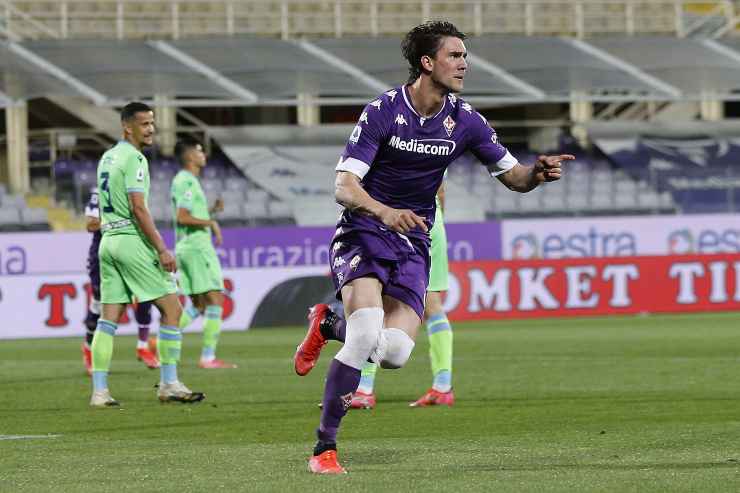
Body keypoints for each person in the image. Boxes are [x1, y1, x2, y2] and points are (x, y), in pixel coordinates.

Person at [293, 21, 573, 474]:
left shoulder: (466, 121)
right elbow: (345, 187)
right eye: (455, 55)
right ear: (427, 63)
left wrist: (536, 173)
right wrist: (384, 212)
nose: (464, 63)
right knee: (366, 335)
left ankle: (327, 324)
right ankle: (324, 449)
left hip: (413, 244)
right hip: (364, 232)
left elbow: (513, 177)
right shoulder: (383, 111)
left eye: (465, 56)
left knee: (398, 355)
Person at [89, 101, 205, 407]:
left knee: (108, 318)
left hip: (107, 239)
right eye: (144, 124)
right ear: (128, 127)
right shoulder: (134, 158)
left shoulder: (107, 157)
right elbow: (138, 207)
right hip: (129, 240)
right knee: (173, 309)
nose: (151, 129)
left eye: (153, 123)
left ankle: (99, 392)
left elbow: (101, 204)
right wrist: (161, 248)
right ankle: (169, 383)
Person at [308, 183, 455, 410]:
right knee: (432, 305)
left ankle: (363, 387)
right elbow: (441, 191)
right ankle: (442, 386)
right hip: (430, 223)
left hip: (395, 219)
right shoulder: (447, 145)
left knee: (379, 304)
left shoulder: (391, 149)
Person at [170, 137, 236, 369]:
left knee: (198, 305)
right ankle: (208, 357)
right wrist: (211, 223)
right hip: (197, 247)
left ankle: (162, 338)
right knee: (215, 299)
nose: (203, 154)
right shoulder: (186, 180)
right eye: (199, 151)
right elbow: (182, 216)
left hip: (187, 246)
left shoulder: (186, 181)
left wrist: (211, 212)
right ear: (189, 156)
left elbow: (188, 215)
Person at [81, 186, 159, 375]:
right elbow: (90, 225)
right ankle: (88, 347)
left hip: (132, 250)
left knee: (145, 294)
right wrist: (119, 223)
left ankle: (142, 346)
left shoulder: (134, 189)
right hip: (104, 253)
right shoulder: (100, 191)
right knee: (100, 304)